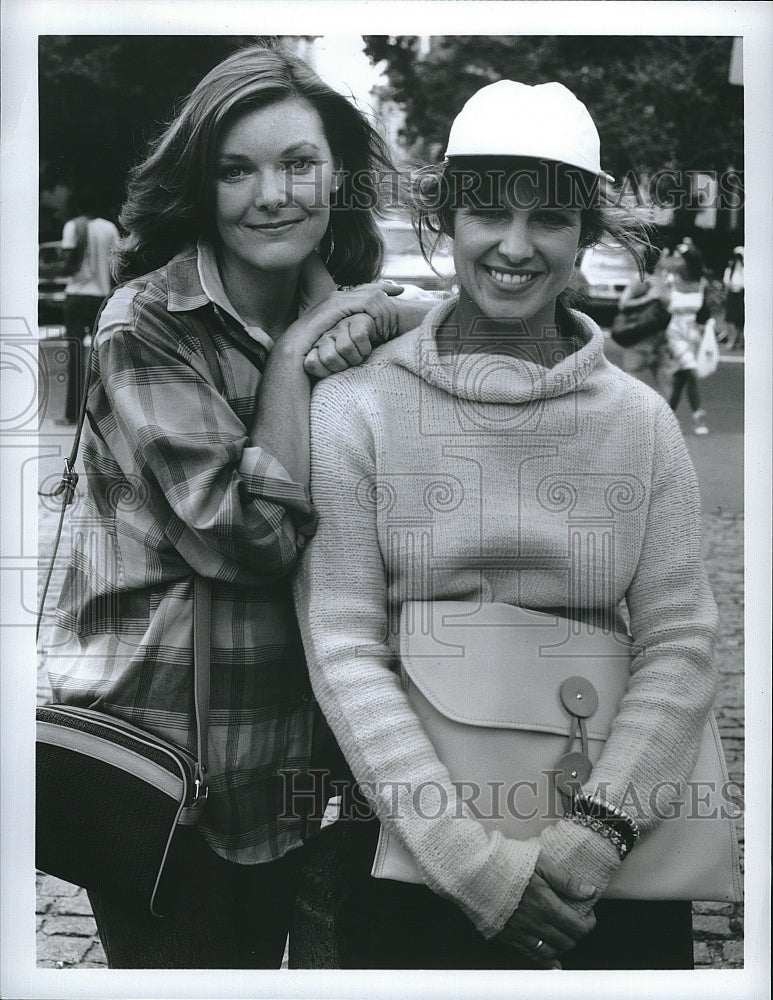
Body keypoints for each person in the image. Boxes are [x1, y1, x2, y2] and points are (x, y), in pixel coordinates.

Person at [294, 80, 718, 970]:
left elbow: (680, 643)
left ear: (586, 239)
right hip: (412, 858)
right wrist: (473, 867)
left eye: (550, 219)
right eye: (487, 211)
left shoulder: (639, 421)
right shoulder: (357, 409)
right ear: (445, 221)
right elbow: (342, 643)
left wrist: (590, 841)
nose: (514, 247)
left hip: (608, 868)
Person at [42, 43, 435, 969]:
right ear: (199, 184)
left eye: (299, 163)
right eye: (236, 170)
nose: (273, 194)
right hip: (177, 780)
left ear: (335, 173)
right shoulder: (148, 327)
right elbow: (247, 537)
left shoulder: (347, 317)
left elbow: (519, 318)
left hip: (317, 775)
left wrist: (381, 318)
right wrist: (298, 356)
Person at [57, 193, 120, 424]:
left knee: (74, 356)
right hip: (100, 298)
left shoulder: (73, 226)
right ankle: (104, 416)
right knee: (102, 356)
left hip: (76, 296)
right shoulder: (110, 228)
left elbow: (67, 264)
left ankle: (72, 415)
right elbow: (116, 265)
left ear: (77, 206)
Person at [663, 243, 711, 434]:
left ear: (689, 262)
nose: (676, 261)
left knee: (680, 380)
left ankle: (666, 419)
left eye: (680, 258)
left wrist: (704, 330)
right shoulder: (670, 280)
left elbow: (704, 312)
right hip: (673, 333)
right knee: (690, 372)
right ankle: (698, 418)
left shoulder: (701, 284)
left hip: (693, 336)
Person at [615, 246, 671, 394]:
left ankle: (664, 417)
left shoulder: (663, 280)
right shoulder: (640, 280)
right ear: (657, 261)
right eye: (664, 256)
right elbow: (623, 304)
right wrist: (648, 298)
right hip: (639, 341)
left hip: (659, 342)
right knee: (632, 388)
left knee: (666, 388)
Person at [722, 245, 744, 351]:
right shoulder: (730, 270)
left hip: (741, 295)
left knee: (740, 319)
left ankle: (741, 341)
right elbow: (727, 282)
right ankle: (732, 340)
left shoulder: (745, 270)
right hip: (732, 295)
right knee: (730, 318)